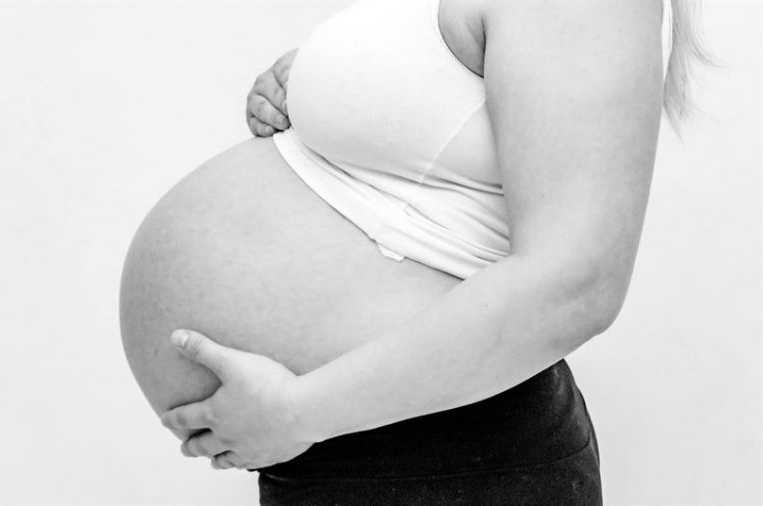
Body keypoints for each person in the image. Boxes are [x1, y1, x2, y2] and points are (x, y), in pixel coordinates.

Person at [129, 0, 712, 503]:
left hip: (438, 456)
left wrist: (298, 411)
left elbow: (578, 285)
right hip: (367, 445)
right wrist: (305, 92)